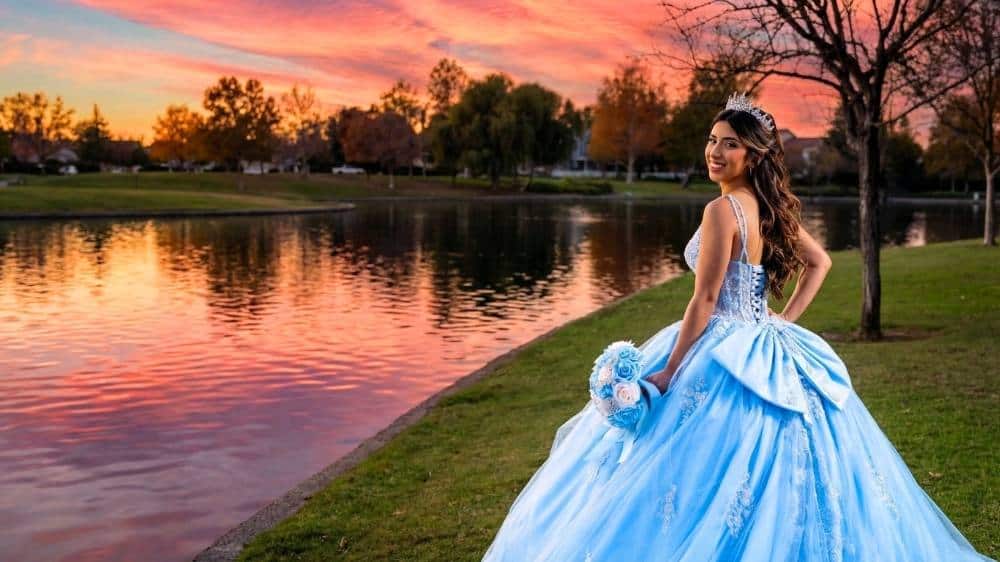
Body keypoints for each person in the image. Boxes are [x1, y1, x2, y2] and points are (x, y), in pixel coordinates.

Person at [481, 93, 994, 561]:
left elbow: (704, 300)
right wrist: (780, 324)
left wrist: (669, 371)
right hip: (762, 340)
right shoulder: (768, 209)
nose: (715, 152)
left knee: (681, 468)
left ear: (753, 156)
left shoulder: (722, 209)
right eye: (712, 140)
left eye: (730, 145)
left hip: (721, 343)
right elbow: (821, 264)